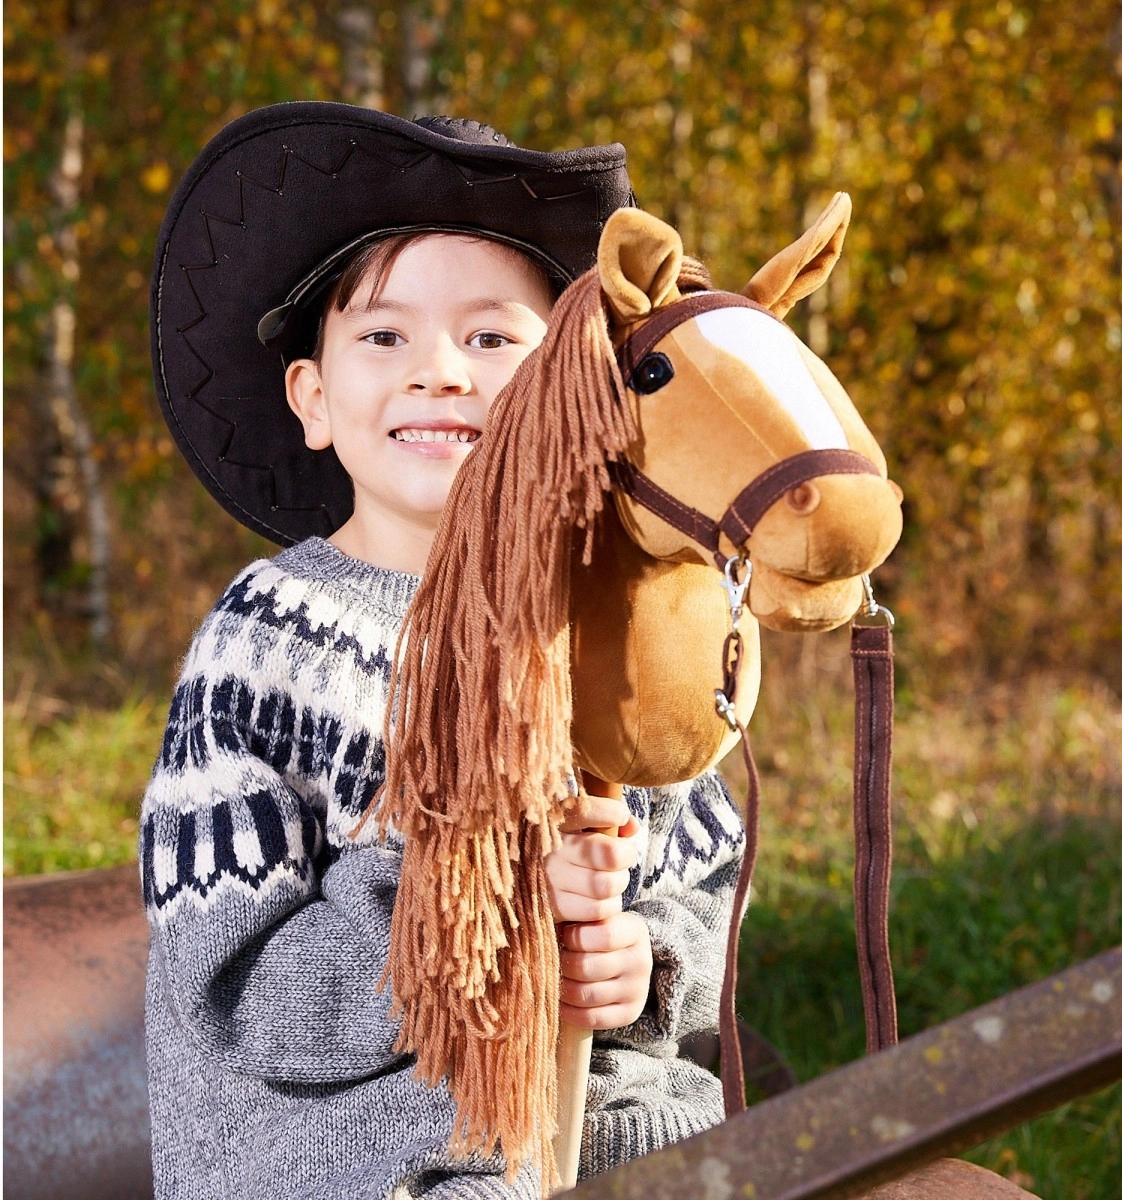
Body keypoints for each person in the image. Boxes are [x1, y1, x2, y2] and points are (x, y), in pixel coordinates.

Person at [141, 101, 745, 1200]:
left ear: (568, 391)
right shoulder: (266, 650)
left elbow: (707, 887)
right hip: (361, 1157)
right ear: (313, 399)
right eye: (384, 337)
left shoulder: (617, 624)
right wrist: (487, 913)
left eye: (492, 339)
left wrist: (646, 963)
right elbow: (234, 988)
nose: (441, 372)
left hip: (614, 1133)